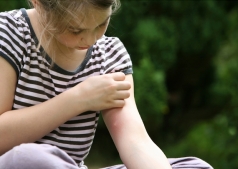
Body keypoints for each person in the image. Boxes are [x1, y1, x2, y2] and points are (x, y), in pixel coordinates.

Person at [0, 0, 213, 169]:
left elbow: (135, 142)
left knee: (195, 167)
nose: (91, 39)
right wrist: (78, 99)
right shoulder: (9, 33)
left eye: (101, 23)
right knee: (28, 159)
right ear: (37, 2)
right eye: (75, 30)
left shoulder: (110, 56)